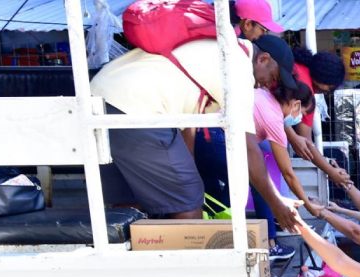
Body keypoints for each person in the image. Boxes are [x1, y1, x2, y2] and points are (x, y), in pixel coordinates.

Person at [90, 31, 292, 220]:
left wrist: (187, 167)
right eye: (273, 78)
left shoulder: (223, 46)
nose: (268, 85)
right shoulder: (237, 67)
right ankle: (179, 257)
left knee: (131, 201)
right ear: (263, 59)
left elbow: (189, 126)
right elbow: (247, 147)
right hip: (135, 106)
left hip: (101, 98)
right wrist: (276, 204)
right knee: (189, 200)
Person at [195, 80, 315, 262]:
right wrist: (308, 204)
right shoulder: (274, 116)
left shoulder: (263, 94)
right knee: (260, 184)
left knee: (220, 191)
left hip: (199, 135)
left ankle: (224, 242)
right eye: (302, 113)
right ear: (296, 104)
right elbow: (287, 172)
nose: (298, 119)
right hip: (217, 136)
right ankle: (270, 244)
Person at [287, 46, 346, 164]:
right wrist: (330, 170)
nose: (328, 92)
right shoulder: (306, 90)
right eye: (331, 88)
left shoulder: (297, 67)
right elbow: (306, 144)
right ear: (326, 78)